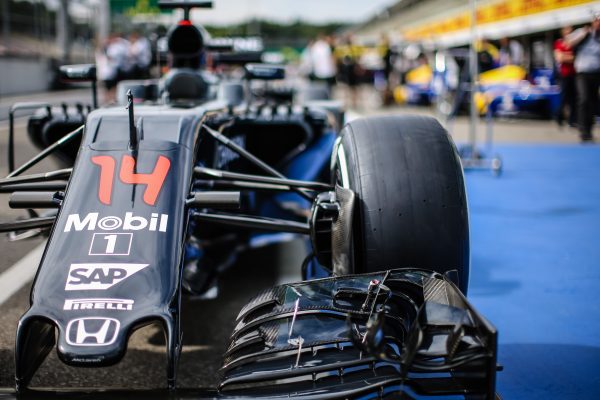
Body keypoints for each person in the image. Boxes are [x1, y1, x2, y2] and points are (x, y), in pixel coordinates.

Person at [566, 14, 600, 142]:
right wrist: (583, 36)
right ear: (593, 21)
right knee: (584, 99)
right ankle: (582, 129)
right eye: (597, 21)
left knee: (592, 102)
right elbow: (568, 43)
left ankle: (589, 130)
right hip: (582, 73)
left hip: (596, 73)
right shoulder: (583, 32)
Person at [554, 26, 577, 127]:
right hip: (564, 74)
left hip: (575, 73)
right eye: (567, 30)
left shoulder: (575, 43)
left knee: (574, 98)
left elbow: (576, 57)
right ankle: (559, 117)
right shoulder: (559, 43)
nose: (569, 32)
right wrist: (571, 57)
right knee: (564, 97)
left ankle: (572, 120)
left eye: (570, 30)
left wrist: (566, 56)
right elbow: (559, 58)